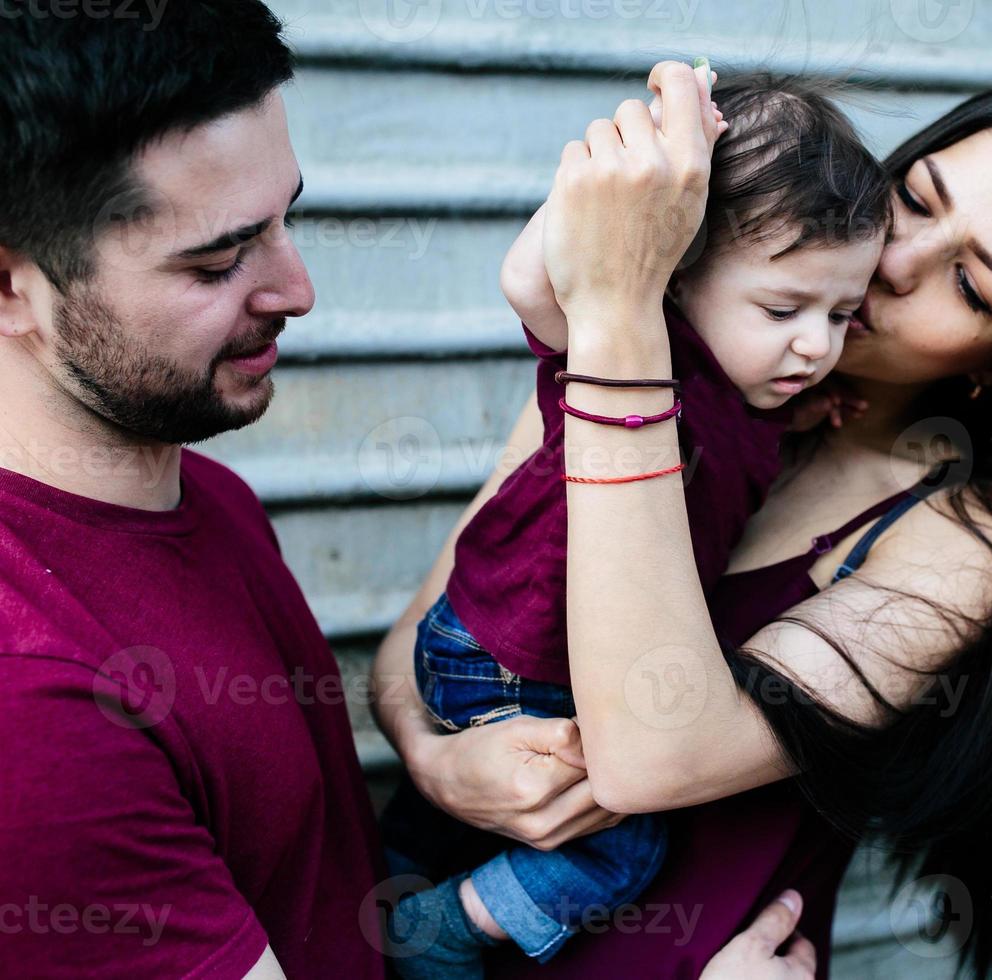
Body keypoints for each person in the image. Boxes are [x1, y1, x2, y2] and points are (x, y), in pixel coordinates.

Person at [0, 9, 833, 979]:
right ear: (12, 287)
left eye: (286, 219)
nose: (299, 287)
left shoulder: (204, 492)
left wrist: (438, 763)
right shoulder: (36, 712)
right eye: (219, 259)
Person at [374, 62, 992, 979]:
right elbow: (419, 639)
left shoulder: (966, 539)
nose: (897, 262)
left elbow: (652, 752)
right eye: (915, 200)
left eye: (969, 286)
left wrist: (618, 313)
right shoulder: (667, 349)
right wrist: (434, 758)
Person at [387, 71, 889, 974]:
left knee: (519, 814)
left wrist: (812, 412)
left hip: (529, 655)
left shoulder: (759, 396)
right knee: (622, 847)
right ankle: (443, 931)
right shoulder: (632, 351)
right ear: (673, 273)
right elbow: (528, 277)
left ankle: (414, 874)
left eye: (843, 313)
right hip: (501, 653)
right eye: (783, 310)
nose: (817, 343)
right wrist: (660, 139)